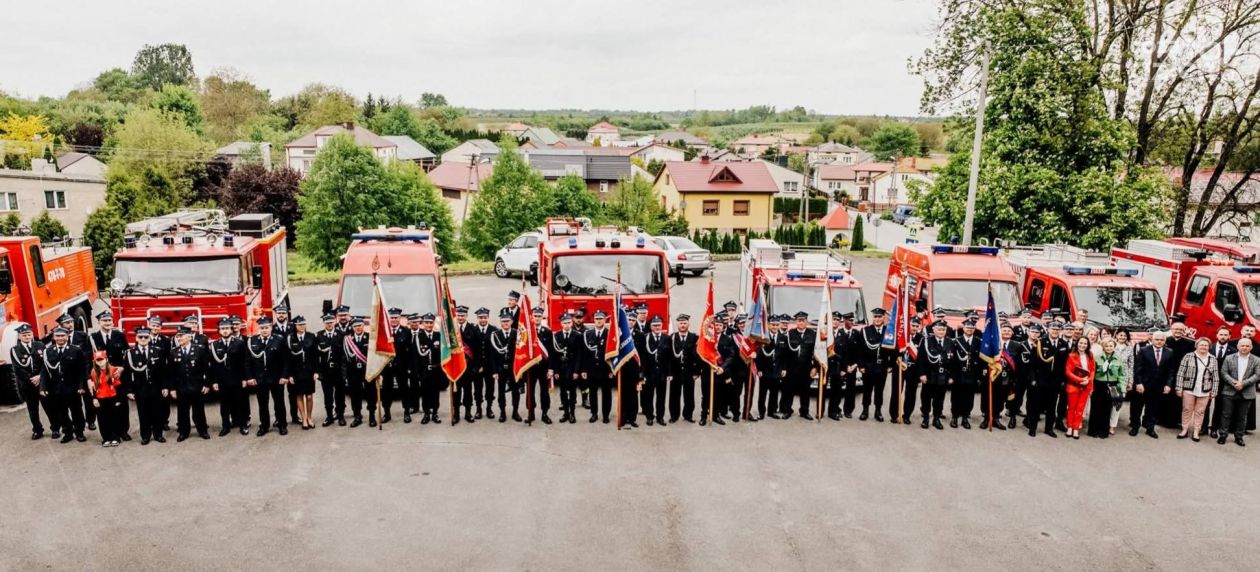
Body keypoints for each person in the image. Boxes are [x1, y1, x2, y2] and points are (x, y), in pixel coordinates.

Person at [40, 327, 88, 443]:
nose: (60, 338)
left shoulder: (75, 350)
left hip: (73, 388)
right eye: (58, 336)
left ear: (67, 337)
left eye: (63, 336)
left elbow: (81, 370)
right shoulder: (48, 351)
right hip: (56, 389)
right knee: (61, 413)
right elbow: (44, 371)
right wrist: (43, 387)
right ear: (53, 337)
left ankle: (79, 432)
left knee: (77, 411)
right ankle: (67, 433)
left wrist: (81, 386)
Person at [247, 317, 290, 436]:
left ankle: (282, 424)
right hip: (260, 378)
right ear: (259, 328)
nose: (264, 330)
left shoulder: (279, 340)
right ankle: (264, 426)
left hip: (276, 378)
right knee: (262, 404)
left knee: (279, 403)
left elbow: (285, 360)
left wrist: (284, 375)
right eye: (262, 328)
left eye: (267, 327)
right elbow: (248, 361)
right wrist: (250, 377)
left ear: (271, 328)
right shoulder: (252, 341)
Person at [124, 326, 166, 444]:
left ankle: (158, 435)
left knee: (157, 412)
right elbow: (127, 374)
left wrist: (164, 386)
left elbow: (163, 371)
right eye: (140, 337)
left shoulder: (157, 351)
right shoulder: (130, 353)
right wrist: (129, 390)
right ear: (136, 338)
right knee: (143, 413)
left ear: (149, 338)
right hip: (140, 388)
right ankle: (145, 436)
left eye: (146, 337)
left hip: (155, 387)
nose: (143, 339)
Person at [10, 324, 52, 440]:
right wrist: (31, 379)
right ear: (19, 336)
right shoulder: (15, 350)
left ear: (32, 335)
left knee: (49, 407)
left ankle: (55, 428)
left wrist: (40, 377)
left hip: (41, 383)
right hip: (28, 385)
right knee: (33, 410)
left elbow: (45, 363)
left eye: (29, 334)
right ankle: (37, 430)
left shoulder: (40, 345)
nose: (27, 337)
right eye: (24, 335)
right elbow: (17, 369)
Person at [1131, 331, 1175, 438]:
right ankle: (1135, 426)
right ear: (1152, 339)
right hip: (1143, 384)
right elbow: (1137, 368)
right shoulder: (1143, 350)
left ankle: (1150, 428)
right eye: (1157, 339)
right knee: (1137, 407)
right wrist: (1139, 383)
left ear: (1165, 341)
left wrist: (1168, 385)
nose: (1159, 342)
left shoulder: (1169, 352)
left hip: (1158, 386)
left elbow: (1171, 370)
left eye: (1162, 340)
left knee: (1153, 408)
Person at [208, 319, 248, 436]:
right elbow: (213, 365)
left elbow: (244, 362)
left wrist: (244, 378)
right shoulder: (215, 345)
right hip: (222, 380)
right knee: (224, 405)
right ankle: (225, 426)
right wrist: (214, 381)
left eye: (227, 328)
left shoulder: (239, 343)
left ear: (231, 329)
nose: (225, 331)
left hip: (237, 378)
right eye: (222, 329)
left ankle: (242, 425)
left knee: (240, 403)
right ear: (219, 331)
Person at [1174, 338, 1217, 442]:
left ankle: (1196, 431)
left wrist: (1214, 390)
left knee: (1200, 412)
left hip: (1205, 390)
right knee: (1187, 409)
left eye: (1206, 345)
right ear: (1196, 346)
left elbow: (1215, 376)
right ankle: (1184, 429)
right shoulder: (1188, 356)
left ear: (1209, 347)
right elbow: (1180, 373)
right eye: (1201, 345)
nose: (1203, 347)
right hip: (1189, 388)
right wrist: (1179, 387)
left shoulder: (1212, 359)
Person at [1218, 337, 1258, 447]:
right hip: (1230, 390)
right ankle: (1223, 435)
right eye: (1242, 345)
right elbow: (1224, 372)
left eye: (1247, 346)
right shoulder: (1229, 358)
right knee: (1226, 414)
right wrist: (1234, 383)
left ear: (1251, 347)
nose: (1244, 348)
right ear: (1238, 346)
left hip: (1247, 392)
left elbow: (1257, 375)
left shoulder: (1257, 360)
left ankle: (1239, 436)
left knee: (1242, 416)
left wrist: (1243, 384)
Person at [1021, 325, 1058, 437]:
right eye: (1053, 329)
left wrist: (1061, 380)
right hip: (1040, 380)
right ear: (1049, 330)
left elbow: (1063, 365)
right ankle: (1032, 428)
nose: (1055, 331)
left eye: (1057, 329)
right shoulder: (1039, 342)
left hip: (1054, 381)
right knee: (1036, 406)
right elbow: (1032, 364)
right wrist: (1033, 379)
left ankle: (1049, 429)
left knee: (1051, 407)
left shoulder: (1063, 344)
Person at [859, 308, 894, 422]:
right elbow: (860, 350)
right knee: (867, 390)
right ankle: (865, 410)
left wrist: (891, 365)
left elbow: (893, 350)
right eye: (875, 317)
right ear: (873, 318)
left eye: (880, 317)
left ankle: (878, 411)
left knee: (879, 390)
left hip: (882, 366)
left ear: (884, 318)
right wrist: (861, 366)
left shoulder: (888, 331)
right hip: (868, 366)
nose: (877, 319)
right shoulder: (866, 331)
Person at [780, 311, 816, 421]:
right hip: (791, 367)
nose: (801, 323)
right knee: (789, 390)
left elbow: (815, 352)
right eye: (799, 320)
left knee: (805, 391)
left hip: (806, 367)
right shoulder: (790, 334)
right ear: (796, 322)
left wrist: (815, 367)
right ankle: (787, 410)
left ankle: (804, 411)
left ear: (806, 322)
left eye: (803, 321)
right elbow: (784, 353)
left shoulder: (812, 334)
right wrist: (784, 368)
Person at [918, 320, 953, 430]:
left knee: (940, 398)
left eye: (943, 329)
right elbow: (921, 359)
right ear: (934, 330)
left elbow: (953, 361)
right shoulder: (926, 341)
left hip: (943, 376)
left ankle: (936, 418)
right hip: (929, 375)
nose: (941, 332)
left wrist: (951, 376)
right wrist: (922, 374)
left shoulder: (950, 342)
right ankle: (926, 418)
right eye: (939, 329)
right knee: (926, 398)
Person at [980, 324, 1015, 431]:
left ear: (1012, 333)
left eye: (1009, 331)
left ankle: (996, 418)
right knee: (987, 397)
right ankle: (986, 418)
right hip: (992, 375)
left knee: (1000, 399)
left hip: (1006, 377)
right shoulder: (993, 343)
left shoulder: (1016, 345)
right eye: (1004, 330)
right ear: (1000, 332)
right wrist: (984, 368)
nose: (1007, 332)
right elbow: (984, 356)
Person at [1089, 339, 1125, 438]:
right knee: (1096, 407)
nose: (1109, 348)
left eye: (1111, 346)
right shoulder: (1097, 358)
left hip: (1113, 385)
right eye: (1106, 346)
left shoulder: (1118, 359)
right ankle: (1093, 430)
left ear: (1114, 347)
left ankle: (1103, 431)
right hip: (1099, 383)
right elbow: (1092, 373)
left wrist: (1123, 389)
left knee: (1107, 408)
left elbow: (1121, 375)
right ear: (1103, 347)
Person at [582, 310, 614, 424]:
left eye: (601, 319)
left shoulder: (610, 334)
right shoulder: (587, 334)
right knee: (593, 393)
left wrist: (612, 369)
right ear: (594, 320)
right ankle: (594, 413)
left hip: (605, 369)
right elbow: (584, 354)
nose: (599, 321)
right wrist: (584, 369)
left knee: (607, 393)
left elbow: (614, 353)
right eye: (597, 319)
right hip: (592, 369)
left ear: (605, 320)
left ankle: (606, 415)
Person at [669, 314, 701, 424]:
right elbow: (669, 356)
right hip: (676, 372)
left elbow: (698, 356)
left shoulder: (694, 337)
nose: (683, 325)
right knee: (674, 395)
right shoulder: (672, 337)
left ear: (688, 324)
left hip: (689, 372)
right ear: (677, 324)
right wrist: (669, 373)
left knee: (689, 395)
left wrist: (697, 372)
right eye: (681, 323)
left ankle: (688, 415)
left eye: (685, 323)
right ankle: (674, 416)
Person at [286, 316, 317, 430]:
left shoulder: (311, 336)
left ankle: (309, 417)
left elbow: (315, 355)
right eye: (299, 325)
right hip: (296, 372)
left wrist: (316, 371)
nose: (302, 326)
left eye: (303, 324)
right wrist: (289, 374)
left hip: (309, 371)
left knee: (309, 396)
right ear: (295, 326)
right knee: (299, 395)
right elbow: (288, 358)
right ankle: (303, 418)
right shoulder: (290, 338)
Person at [88, 350, 125, 447]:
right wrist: (94, 398)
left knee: (114, 418)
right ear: (95, 361)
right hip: (100, 399)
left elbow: (118, 386)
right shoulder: (93, 372)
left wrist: (119, 400)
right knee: (103, 419)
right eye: (98, 360)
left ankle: (115, 437)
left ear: (106, 359)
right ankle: (106, 438)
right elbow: (93, 387)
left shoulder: (113, 370)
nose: (100, 362)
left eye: (102, 359)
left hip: (112, 398)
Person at [950, 318, 982, 429]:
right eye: (967, 327)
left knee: (969, 397)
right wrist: (952, 375)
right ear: (963, 328)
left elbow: (980, 360)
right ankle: (954, 417)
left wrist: (979, 376)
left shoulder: (979, 342)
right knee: (956, 396)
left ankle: (965, 417)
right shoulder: (956, 341)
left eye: (972, 328)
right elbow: (952, 361)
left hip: (972, 374)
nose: (970, 329)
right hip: (958, 373)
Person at [315, 314, 346, 427]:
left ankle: (340, 416)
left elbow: (344, 355)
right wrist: (318, 372)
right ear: (324, 323)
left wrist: (344, 372)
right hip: (326, 371)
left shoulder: (341, 335)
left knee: (340, 395)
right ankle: (329, 416)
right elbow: (316, 356)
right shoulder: (318, 336)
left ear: (335, 322)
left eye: (331, 322)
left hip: (338, 371)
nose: (329, 324)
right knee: (328, 396)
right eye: (327, 323)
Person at [639, 316, 671, 426]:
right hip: (649, 373)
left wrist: (669, 373)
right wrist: (642, 373)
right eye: (655, 325)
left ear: (662, 325)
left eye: (659, 325)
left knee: (661, 397)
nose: (657, 327)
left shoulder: (667, 338)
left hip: (662, 373)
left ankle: (660, 417)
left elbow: (669, 358)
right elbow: (643, 357)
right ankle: (649, 416)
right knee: (649, 396)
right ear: (651, 327)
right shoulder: (645, 338)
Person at [342, 318, 373, 427]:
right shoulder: (348, 339)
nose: (358, 328)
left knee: (371, 393)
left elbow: (374, 356)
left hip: (367, 370)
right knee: (355, 394)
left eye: (360, 325)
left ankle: (372, 416)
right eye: (355, 326)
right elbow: (345, 358)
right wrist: (345, 374)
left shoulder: (370, 337)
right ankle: (357, 416)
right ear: (352, 327)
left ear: (363, 326)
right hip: (353, 371)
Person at [491, 309, 521, 423]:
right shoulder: (496, 335)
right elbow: (493, 355)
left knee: (515, 391)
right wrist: (494, 371)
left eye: (507, 321)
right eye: (503, 321)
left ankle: (515, 412)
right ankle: (502, 412)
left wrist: (521, 368)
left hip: (514, 367)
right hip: (501, 368)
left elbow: (521, 352)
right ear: (500, 322)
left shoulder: (517, 334)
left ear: (512, 321)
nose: (505, 323)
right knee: (501, 392)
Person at [524, 307, 553, 425]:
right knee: (530, 391)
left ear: (542, 317)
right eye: (535, 316)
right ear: (531, 317)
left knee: (544, 392)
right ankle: (531, 413)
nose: (537, 318)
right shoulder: (527, 332)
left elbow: (551, 352)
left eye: (539, 316)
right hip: (530, 368)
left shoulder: (547, 332)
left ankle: (545, 413)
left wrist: (550, 368)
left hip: (543, 368)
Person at [552, 312, 581, 424]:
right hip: (561, 368)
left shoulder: (577, 335)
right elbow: (554, 355)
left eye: (569, 322)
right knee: (563, 392)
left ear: (572, 323)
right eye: (565, 323)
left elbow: (579, 355)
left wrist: (576, 371)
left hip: (572, 368)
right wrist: (555, 371)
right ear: (561, 324)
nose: (567, 325)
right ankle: (565, 413)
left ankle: (572, 413)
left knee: (572, 392)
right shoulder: (556, 336)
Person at [1063, 336, 1094, 439]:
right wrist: (1080, 380)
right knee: (1071, 408)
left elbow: (1093, 370)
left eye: (1085, 343)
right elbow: (1068, 372)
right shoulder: (1071, 355)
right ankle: (1070, 427)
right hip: (1073, 386)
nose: (1082, 345)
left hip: (1085, 386)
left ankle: (1076, 428)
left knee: (1080, 409)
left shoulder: (1090, 355)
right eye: (1081, 343)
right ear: (1077, 344)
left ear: (1088, 345)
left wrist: (1088, 380)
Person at [415, 313, 443, 424]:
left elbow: (442, 354)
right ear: (423, 323)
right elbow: (416, 357)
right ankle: (426, 414)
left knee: (435, 393)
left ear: (433, 323)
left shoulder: (438, 335)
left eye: (431, 323)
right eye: (426, 322)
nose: (429, 325)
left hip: (436, 370)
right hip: (424, 370)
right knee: (425, 393)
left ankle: (435, 413)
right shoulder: (419, 337)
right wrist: (418, 372)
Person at [469, 307, 496, 419]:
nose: (483, 319)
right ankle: (478, 409)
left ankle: (489, 408)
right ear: (477, 318)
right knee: (477, 389)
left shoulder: (494, 330)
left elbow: (495, 351)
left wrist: (495, 368)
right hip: (477, 366)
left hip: (490, 366)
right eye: (480, 317)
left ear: (488, 318)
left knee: (490, 388)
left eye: (485, 317)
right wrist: (475, 366)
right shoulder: (473, 330)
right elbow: (471, 349)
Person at [756, 316, 782, 419]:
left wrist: (784, 368)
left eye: (777, 325)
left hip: (777, 370)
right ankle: (761, 412)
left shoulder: (783, 337)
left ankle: (772, 411)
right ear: (768, 325)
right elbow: (759, 355)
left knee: (774, 392)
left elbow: (785, 355)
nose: (775, 327)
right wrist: (759, 369)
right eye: (773, 325)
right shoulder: (763, 338)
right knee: (763, 392)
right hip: (765, 370)